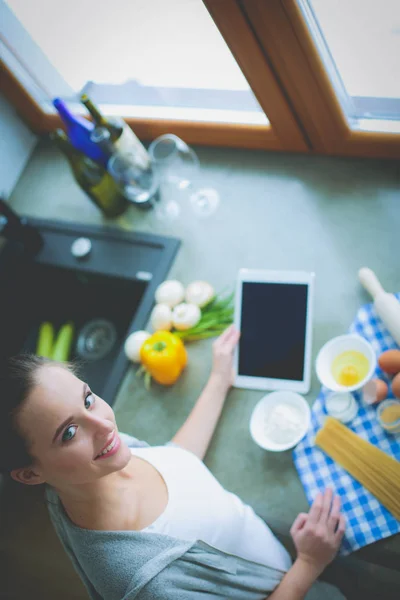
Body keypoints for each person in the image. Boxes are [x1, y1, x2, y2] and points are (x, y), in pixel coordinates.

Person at [1, 325, 346, 599]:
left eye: (88, 399)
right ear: (31, 474)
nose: (105, 424)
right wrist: (309, 563)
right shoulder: (148, 582)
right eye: (69, 432)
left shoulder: (94, 468)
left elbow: (176, 463)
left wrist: (217, 381)